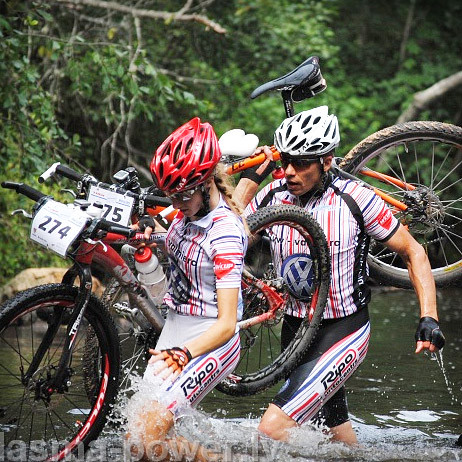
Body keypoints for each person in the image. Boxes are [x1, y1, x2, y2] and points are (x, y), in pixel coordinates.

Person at [234, 105, 445, 445]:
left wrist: (429, 316)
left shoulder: (356, 199)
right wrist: (252, 178)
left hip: (343, 329)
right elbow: (228, 234)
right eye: (285, 160)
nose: (289, 171)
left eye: (301, 163)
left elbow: (413, 253)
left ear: (326, 161)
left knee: (271, 432)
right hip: (295, 330)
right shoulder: (272, 195)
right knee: (336, 442)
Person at [126, 117, 248, 461]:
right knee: (136, 441)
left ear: (206, 182)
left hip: (210, 340)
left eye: (182, 194)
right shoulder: (186, 211)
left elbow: (227, 324)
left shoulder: (224, 234)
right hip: (176, 329)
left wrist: (185, 353)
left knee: (144, 442)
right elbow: (162, 276)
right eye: (170, 194)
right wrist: (145, 240)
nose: (176, 203)